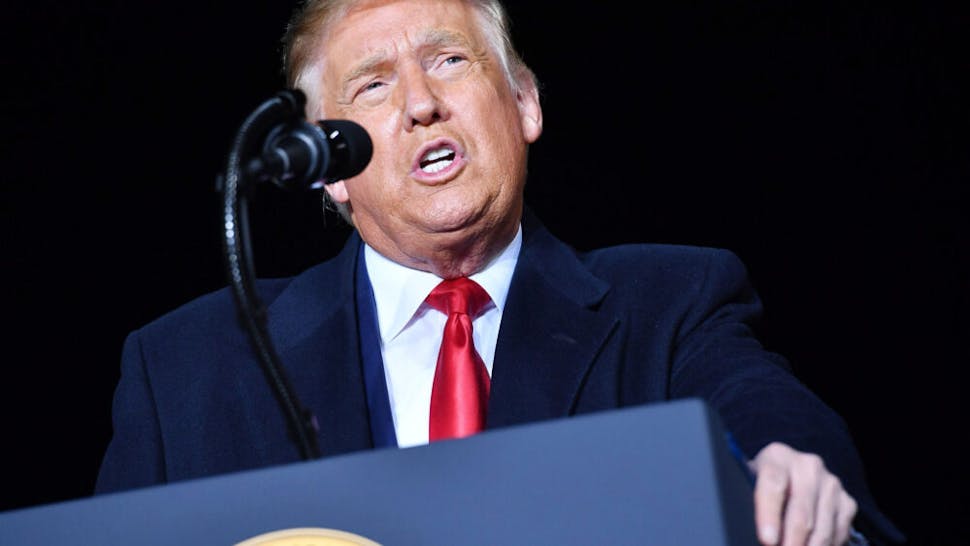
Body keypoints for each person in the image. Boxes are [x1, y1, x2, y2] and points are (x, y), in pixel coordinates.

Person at [94, 0, 904, 544]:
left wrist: (789, 467)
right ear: (329, 170)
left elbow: (767, 413)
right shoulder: (189, 368)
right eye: (373, 85)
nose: (420, 104)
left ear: (524, 104)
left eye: (449, 60)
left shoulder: (670, 302)